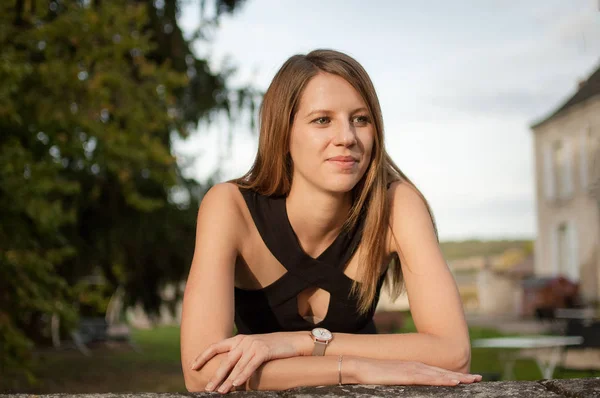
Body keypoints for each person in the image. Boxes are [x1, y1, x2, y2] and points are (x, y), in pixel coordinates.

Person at [180, 49, 482, 393]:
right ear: (283, 134)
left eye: (361, 119)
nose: (347, 137)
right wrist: (352, 368)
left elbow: (453, 354)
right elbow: (203, 373)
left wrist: (301, 344)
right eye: (322, 120)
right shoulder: (229, 207)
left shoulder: (396, 205)